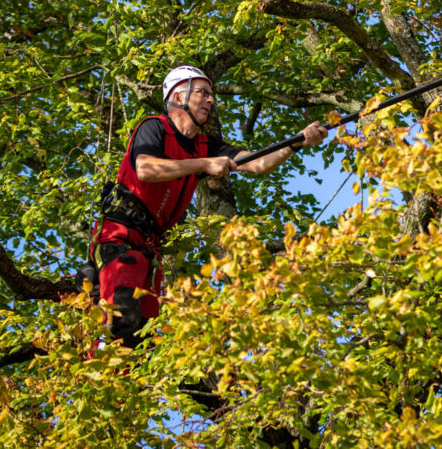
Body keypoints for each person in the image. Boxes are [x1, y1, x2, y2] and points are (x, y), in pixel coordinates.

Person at [86, 65, 328, 347]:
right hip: (119, 236)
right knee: (121, 320)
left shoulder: (204, 145)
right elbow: (146, 169)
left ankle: (128, 383)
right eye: (202, 92)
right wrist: (204, 164)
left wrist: (297, 142)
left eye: (212, 94)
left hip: (149, 248)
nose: (211, 100)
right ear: (177, 97)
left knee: (144, 335)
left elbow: (259, 163)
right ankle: (99, 375)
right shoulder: (154, 127)